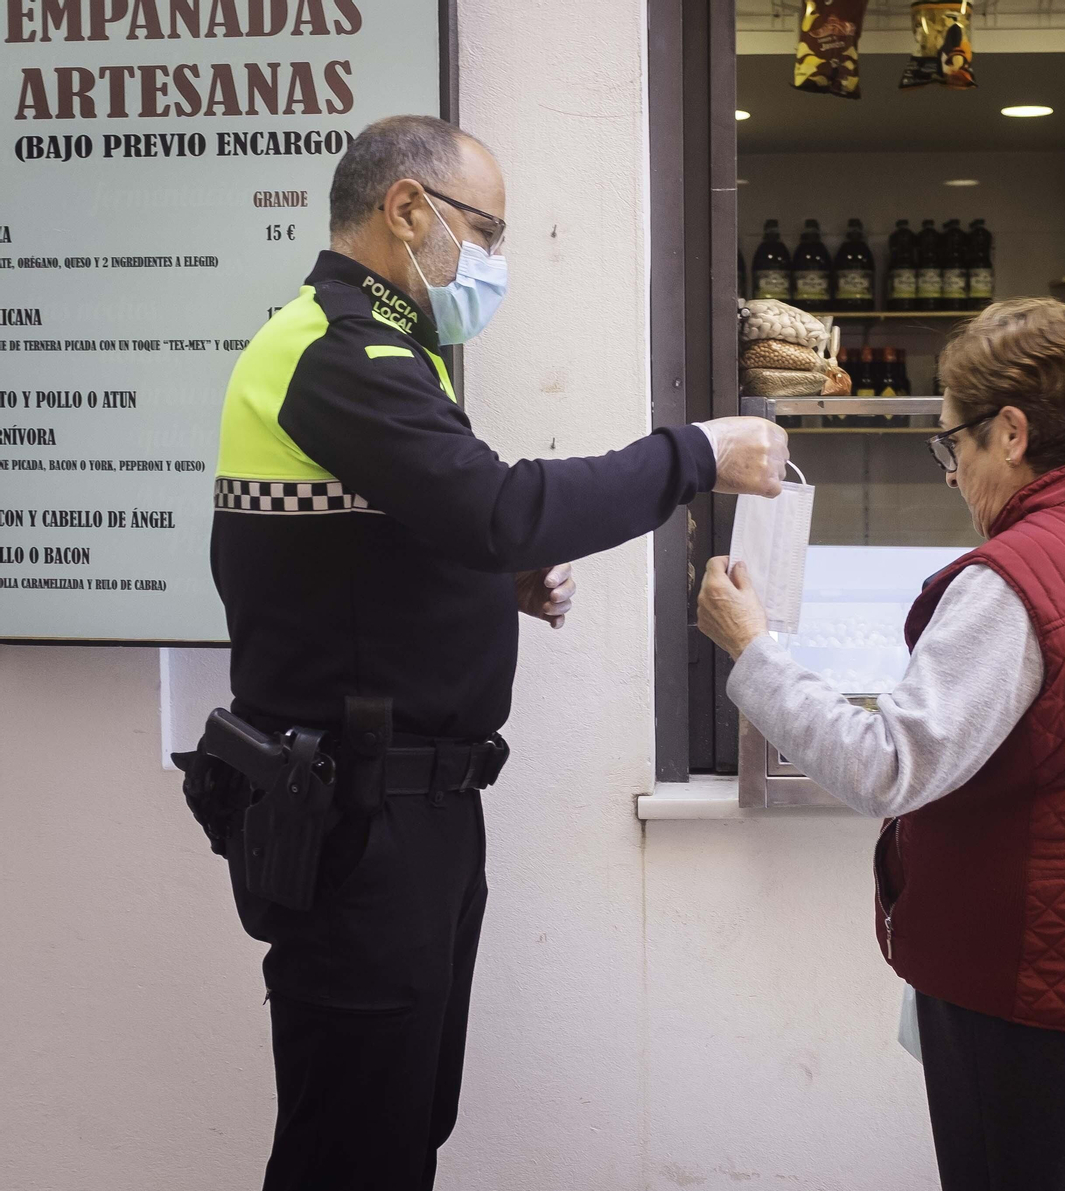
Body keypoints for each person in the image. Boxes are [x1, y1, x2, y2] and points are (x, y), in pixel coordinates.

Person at [198, 115, 786, 1190]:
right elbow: (499, 508)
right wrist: (693, 453)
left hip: (403, 809)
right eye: (489, 230)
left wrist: (481, 583)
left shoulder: (382, 347)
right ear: (407, 209)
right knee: (351, 1149)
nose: (497, 261)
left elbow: (366, 545)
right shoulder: (338, 352)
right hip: (357, 818)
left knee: (399, 1127)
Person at [698, 298, 1065, 1191]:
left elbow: (888, 766)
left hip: (1052, 982)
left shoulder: (1016, 584)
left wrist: (754, 651)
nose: (953, 476)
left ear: (1010, 431)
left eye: (953, 443)